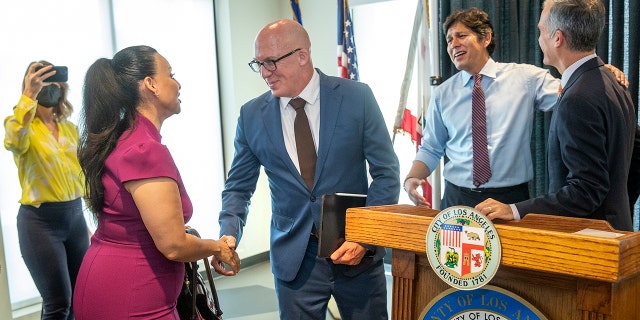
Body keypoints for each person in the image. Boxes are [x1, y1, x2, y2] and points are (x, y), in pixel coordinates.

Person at [215, 20, 399, 319]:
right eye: (258, 64)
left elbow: (386, 172)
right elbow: (238, 187)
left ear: (302, 55)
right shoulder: (251, 116)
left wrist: (365, 237)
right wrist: (228, 234)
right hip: (295, 259)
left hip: (357, 253)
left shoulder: (356, 97)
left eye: (271, 62)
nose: (264, 73)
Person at [73, 45, 240, 319]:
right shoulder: (143, 149)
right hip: (133, 295)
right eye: (171, 74)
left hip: (111, 282)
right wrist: (216, 246)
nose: (178, 83)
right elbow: (173, 245)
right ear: (150, 84)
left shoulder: (123, 139)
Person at [403, 7, 628, 210]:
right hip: (456, 199)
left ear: (486, 38)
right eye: (449, 39)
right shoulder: (442, 93)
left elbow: (573, 92)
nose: (453, 44)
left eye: (461, 35)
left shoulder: (526, 78)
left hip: (509, 200)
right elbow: (432, 147)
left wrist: (597, 71)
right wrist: (413, 177)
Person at [476, 0, 637, 231]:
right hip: (615, 232)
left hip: (589, 241)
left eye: (541, 31)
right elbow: (634, 156)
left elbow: (586, 190)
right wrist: (616, 207)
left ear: (557, 38)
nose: (539, 39)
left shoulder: (578, 97)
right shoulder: (614, 81)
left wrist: (514, 210)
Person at [4, 61, 89, 319]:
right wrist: (28, 95)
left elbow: (81, 176)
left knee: (80, 297)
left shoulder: (69, 128)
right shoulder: (20, 125)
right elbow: (13, 141)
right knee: (58, 302)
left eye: (54, 82)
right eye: (42, 81)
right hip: (40, 222)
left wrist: (88, 221)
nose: (50, 87)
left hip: (74, 218)